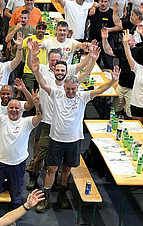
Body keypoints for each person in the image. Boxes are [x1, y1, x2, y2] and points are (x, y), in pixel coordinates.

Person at [33, 58, 119, 212]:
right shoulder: (57, 94)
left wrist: (113, 81)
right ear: (64, 87)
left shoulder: (83, 97)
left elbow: (100, 90)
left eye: (73, 88)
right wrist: (36, 70)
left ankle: (61, 195)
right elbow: (43, 84)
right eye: (68, 88)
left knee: (67, 169)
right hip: (56, 139)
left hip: (73, 141)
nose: (70, 91)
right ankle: (45, 198)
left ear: (77, 87)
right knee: (52, 168)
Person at [0, 81, 43, 213]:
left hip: (18, 165)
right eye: (11, 108)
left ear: (21, 110)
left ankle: (13, 215)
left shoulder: (26, 122)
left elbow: (40, 116)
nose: (14, 110)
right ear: (7, 109)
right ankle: (9, 186)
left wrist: (37, 103)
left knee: (16, 196)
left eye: (16, 108)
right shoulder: (0, 120)